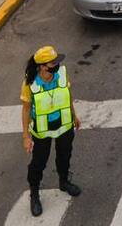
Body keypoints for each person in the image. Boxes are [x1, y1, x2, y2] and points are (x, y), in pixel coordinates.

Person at [22, 45, 82, 216]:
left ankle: (64, 182)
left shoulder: (61, 75)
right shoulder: (30, 84)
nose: (56, 65)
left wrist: (74, 116)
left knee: (65, 155)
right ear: (41, 66)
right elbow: (26, 110)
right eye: (52, 63)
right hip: (42, 131)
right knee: (38, 163)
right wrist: (26, 136)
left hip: (64, 126)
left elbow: (67, 95)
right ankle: (34, 195)